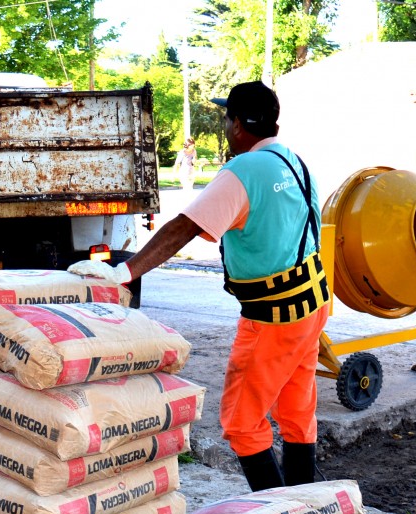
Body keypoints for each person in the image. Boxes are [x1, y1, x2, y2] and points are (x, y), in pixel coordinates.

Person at [69, 82, 327, 492]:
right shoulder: (294, 162)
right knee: (297, 411)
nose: (226, 128)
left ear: (240, 124)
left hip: (273, 318)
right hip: (311, 305)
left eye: (228, 119)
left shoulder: (242, 172)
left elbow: (185, 226)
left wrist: (126, 272)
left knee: (243, 423)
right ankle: (307, 504)